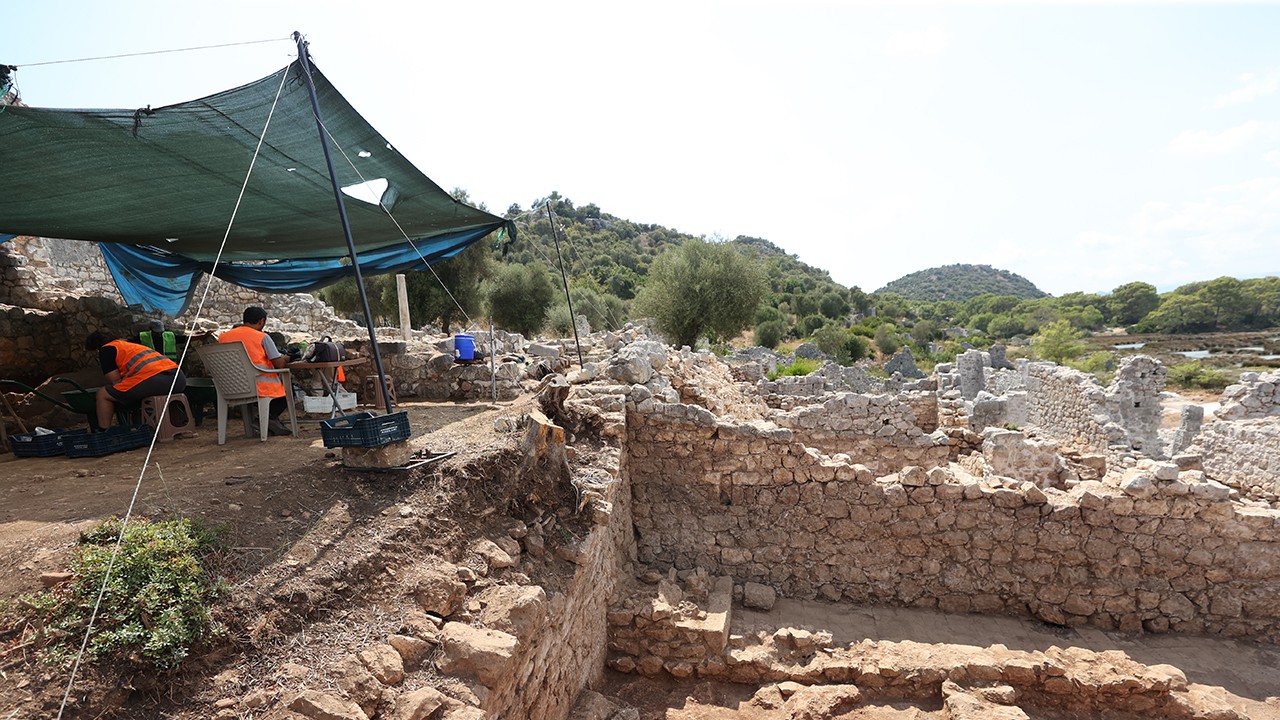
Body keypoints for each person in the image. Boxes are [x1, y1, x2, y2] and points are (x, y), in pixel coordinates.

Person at [86, 330, 186, 431]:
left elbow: (114, 379)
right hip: (178, 378)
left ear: (96, 350)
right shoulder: (129, 345)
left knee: (103, 394)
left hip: (155, 379)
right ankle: (179, 425)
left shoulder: (106, 349)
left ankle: (103, 432)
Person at [218, 306, 291, 436]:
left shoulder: (223, 337)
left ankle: (270, 421)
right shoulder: (262, 337)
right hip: (259, 386)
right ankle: (268, 418)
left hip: (230, 386)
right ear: (261, 321)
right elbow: (279, 364)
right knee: (287, 392)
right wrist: (285, 358)